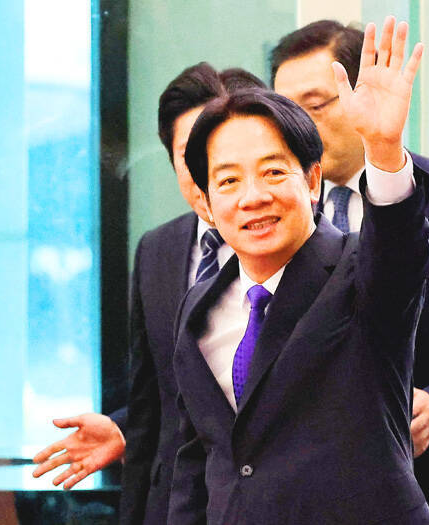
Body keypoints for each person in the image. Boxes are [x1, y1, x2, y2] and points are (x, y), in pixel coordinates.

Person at [168, 18, 429, 524]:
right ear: (205, 201)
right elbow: (198, 462)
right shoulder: (198, 307)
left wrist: (382, 148)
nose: (253, 197)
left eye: (273, 171)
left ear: (312, 179)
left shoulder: (358, 274)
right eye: (228, 181)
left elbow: (400, 250)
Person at [270, 20, 429, 522]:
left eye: (315, 105)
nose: (300, 128)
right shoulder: (276, 215)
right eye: (286, 112)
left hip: (425, 483)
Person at [31, 63, 265, 524]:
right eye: (190, 156)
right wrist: (123, 431)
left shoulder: (311, 251)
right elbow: (151, 396)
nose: (209, 172)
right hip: (174, 505)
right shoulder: (158, 249)